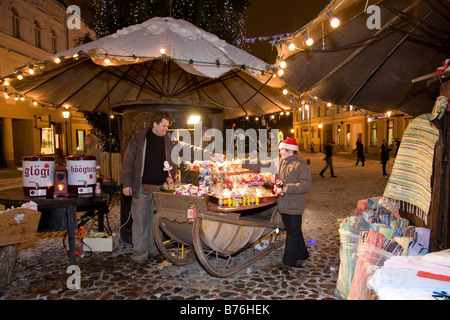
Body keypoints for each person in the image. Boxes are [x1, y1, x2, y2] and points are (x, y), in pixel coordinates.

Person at [120, 112, 178, 269]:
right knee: (140, 222)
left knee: (155, 222)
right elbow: (128, 161)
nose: (166, 128)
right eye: (164, 125)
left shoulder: (167, 140)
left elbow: (177, 156)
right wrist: (126, 184)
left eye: (167, 126)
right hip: (142, 186)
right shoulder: (139, 139)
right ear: (155, 124)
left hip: (161, 188)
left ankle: (153, 250)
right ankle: (139, 256)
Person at [276, 137, 312, 269]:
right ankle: (302, 254)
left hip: (295, 204)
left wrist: (287, 188)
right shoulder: (282, 162)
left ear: (290, 150)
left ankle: (289, 262)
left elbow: (306, 185)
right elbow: (277, 176)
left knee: (292, 233)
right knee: (294, 230)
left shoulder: (300, 164)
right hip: (284, 203)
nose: (280, 152)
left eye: (282, 150)